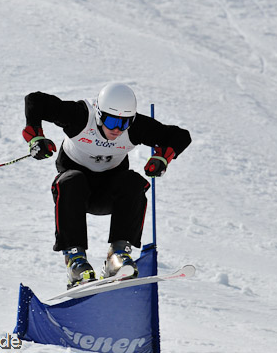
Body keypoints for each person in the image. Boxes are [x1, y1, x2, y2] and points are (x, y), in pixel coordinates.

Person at [22, 83, 191, 289]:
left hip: (109, 195)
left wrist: (163, 158)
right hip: (75, 195)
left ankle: (117, 257)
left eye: (125, 122)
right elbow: (35, 101)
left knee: (134, 182)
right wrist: (35, 136)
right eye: (111, 121)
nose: (118, 129)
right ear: (100, 114)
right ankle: (76, 262)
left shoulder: (136, 127)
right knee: (72, 180)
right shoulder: (80, 116)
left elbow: (181, 136)